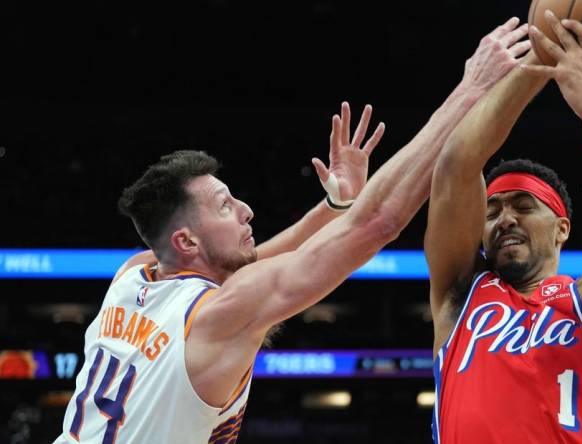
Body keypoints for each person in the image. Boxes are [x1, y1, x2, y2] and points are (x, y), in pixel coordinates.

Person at [54, 17, 534, 444]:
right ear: (186, 241)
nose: (245, 209)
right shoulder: (217, 317)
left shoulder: (134, 276)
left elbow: (253, 263)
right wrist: (470, 92)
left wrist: (334, 206)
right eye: (225, 206)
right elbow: (378, 222)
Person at [426, 11, 582, 444]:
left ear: (561, 229)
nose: (505, 218)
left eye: (523, 206)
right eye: (493, 210)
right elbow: (456, 166)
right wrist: (540, 57)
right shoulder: (459, 295)